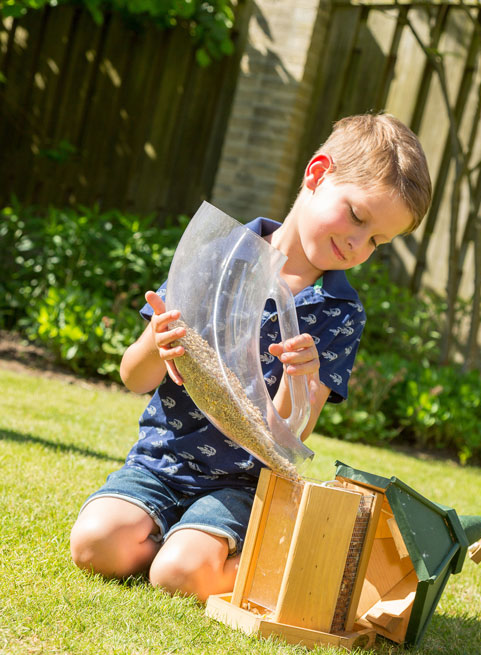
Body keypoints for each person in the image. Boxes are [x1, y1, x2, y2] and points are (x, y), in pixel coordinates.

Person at [70, 112, 432, 601]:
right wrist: (157, 343)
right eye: (357, 216)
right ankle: (181, 541)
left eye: (376, 241)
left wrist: (297, 382)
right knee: (95, 545)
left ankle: (256, 560)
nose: (355, 243)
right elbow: (133, 376)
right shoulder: (218, 257)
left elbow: (286, 440)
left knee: (178, 576)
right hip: (162, 461)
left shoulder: (338, 312)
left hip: (243, 487)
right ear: (317, 173)